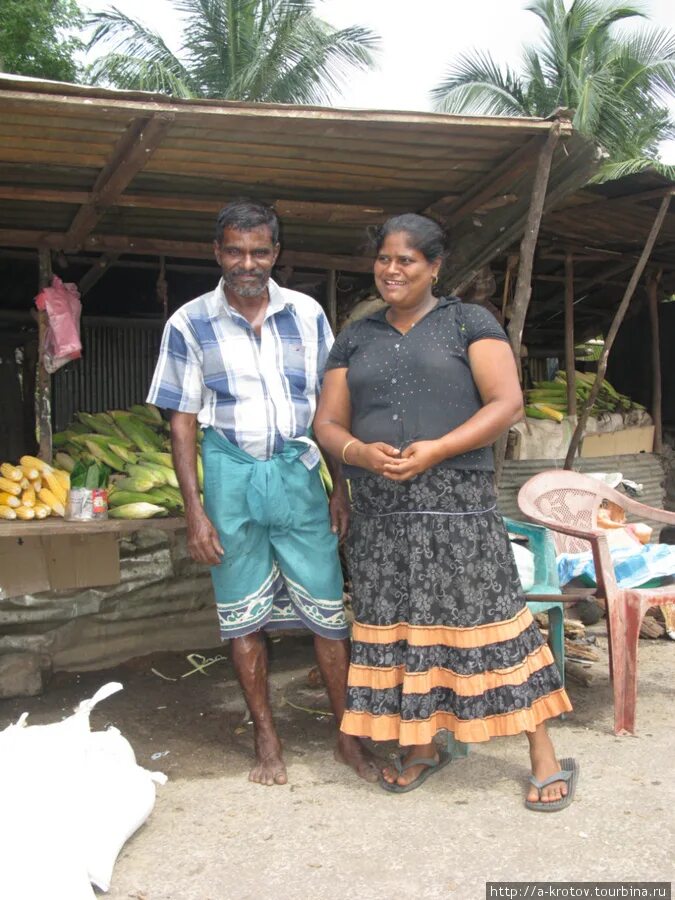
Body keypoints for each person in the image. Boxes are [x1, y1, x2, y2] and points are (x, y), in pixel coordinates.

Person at [314, 213, 578, 809]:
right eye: (384, 258)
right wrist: (358, 452)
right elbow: (326, 422)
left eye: (406, 259)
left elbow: (507, 402)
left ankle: (543, 753)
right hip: (382, 510)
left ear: (434, 266)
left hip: (457, 504)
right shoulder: (358, 335)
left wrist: (438, 449)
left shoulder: (467, 321)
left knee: (490, 621)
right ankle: (423, 745)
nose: (391, 269)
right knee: (402, 630)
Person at [147, 198, 379, 787]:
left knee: (329, 613)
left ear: (276, 253)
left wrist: (340, 488)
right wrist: (195, 511)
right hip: (228, 473)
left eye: (258, 251)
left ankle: (347, 735)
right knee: (240, 616)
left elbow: (330, 408)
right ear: (217, 252)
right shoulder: (188, 323)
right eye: (234, 250)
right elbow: (181, 421)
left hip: (299, 472)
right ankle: (266, 737)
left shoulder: (307, 315)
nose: (246, 262)